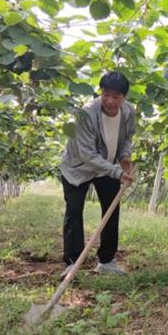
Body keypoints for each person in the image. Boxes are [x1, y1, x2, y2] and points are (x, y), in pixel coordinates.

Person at [59, 71, 135, 278]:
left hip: (108, 168)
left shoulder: (128, 112)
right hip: (78, 168)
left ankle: (106, 261)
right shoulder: (86, 114)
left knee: (111, 211)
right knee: (74, 212)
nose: (110, 101)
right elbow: (87, 154)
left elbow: (127, 137)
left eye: (116, 96)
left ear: (124, 97)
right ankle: (72, 262)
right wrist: (117, 172)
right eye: (105, 94)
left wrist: (125, 156)